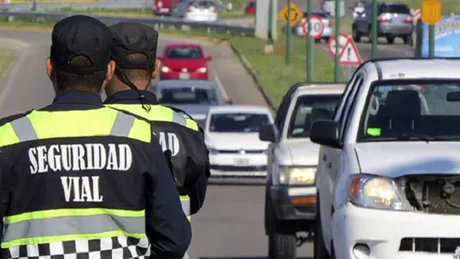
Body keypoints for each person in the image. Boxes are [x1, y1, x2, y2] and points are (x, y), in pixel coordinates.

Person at [0, 15, 191, 259]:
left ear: (50, 67)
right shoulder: (139, 136)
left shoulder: (8, 138)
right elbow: (174, 240)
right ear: (110, 71)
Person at [104, 22, 211, 257]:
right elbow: (196, 201)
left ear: (107, 69)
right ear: (156, 68)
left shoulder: (92, 128)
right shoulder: (187, 127)